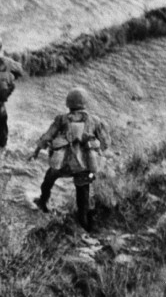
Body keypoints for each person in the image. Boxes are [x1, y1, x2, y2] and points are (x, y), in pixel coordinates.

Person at [30, 87, 110, 231]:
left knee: (48, 181)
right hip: (85, 167)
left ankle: (43, 203)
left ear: (68, 103)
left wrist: (36, 151)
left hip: (63, 164)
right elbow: (106, 143)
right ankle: (84, 225)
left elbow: (47, 136)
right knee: (82, 196)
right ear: (85, 103)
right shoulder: (95, 121)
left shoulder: (61, 119)